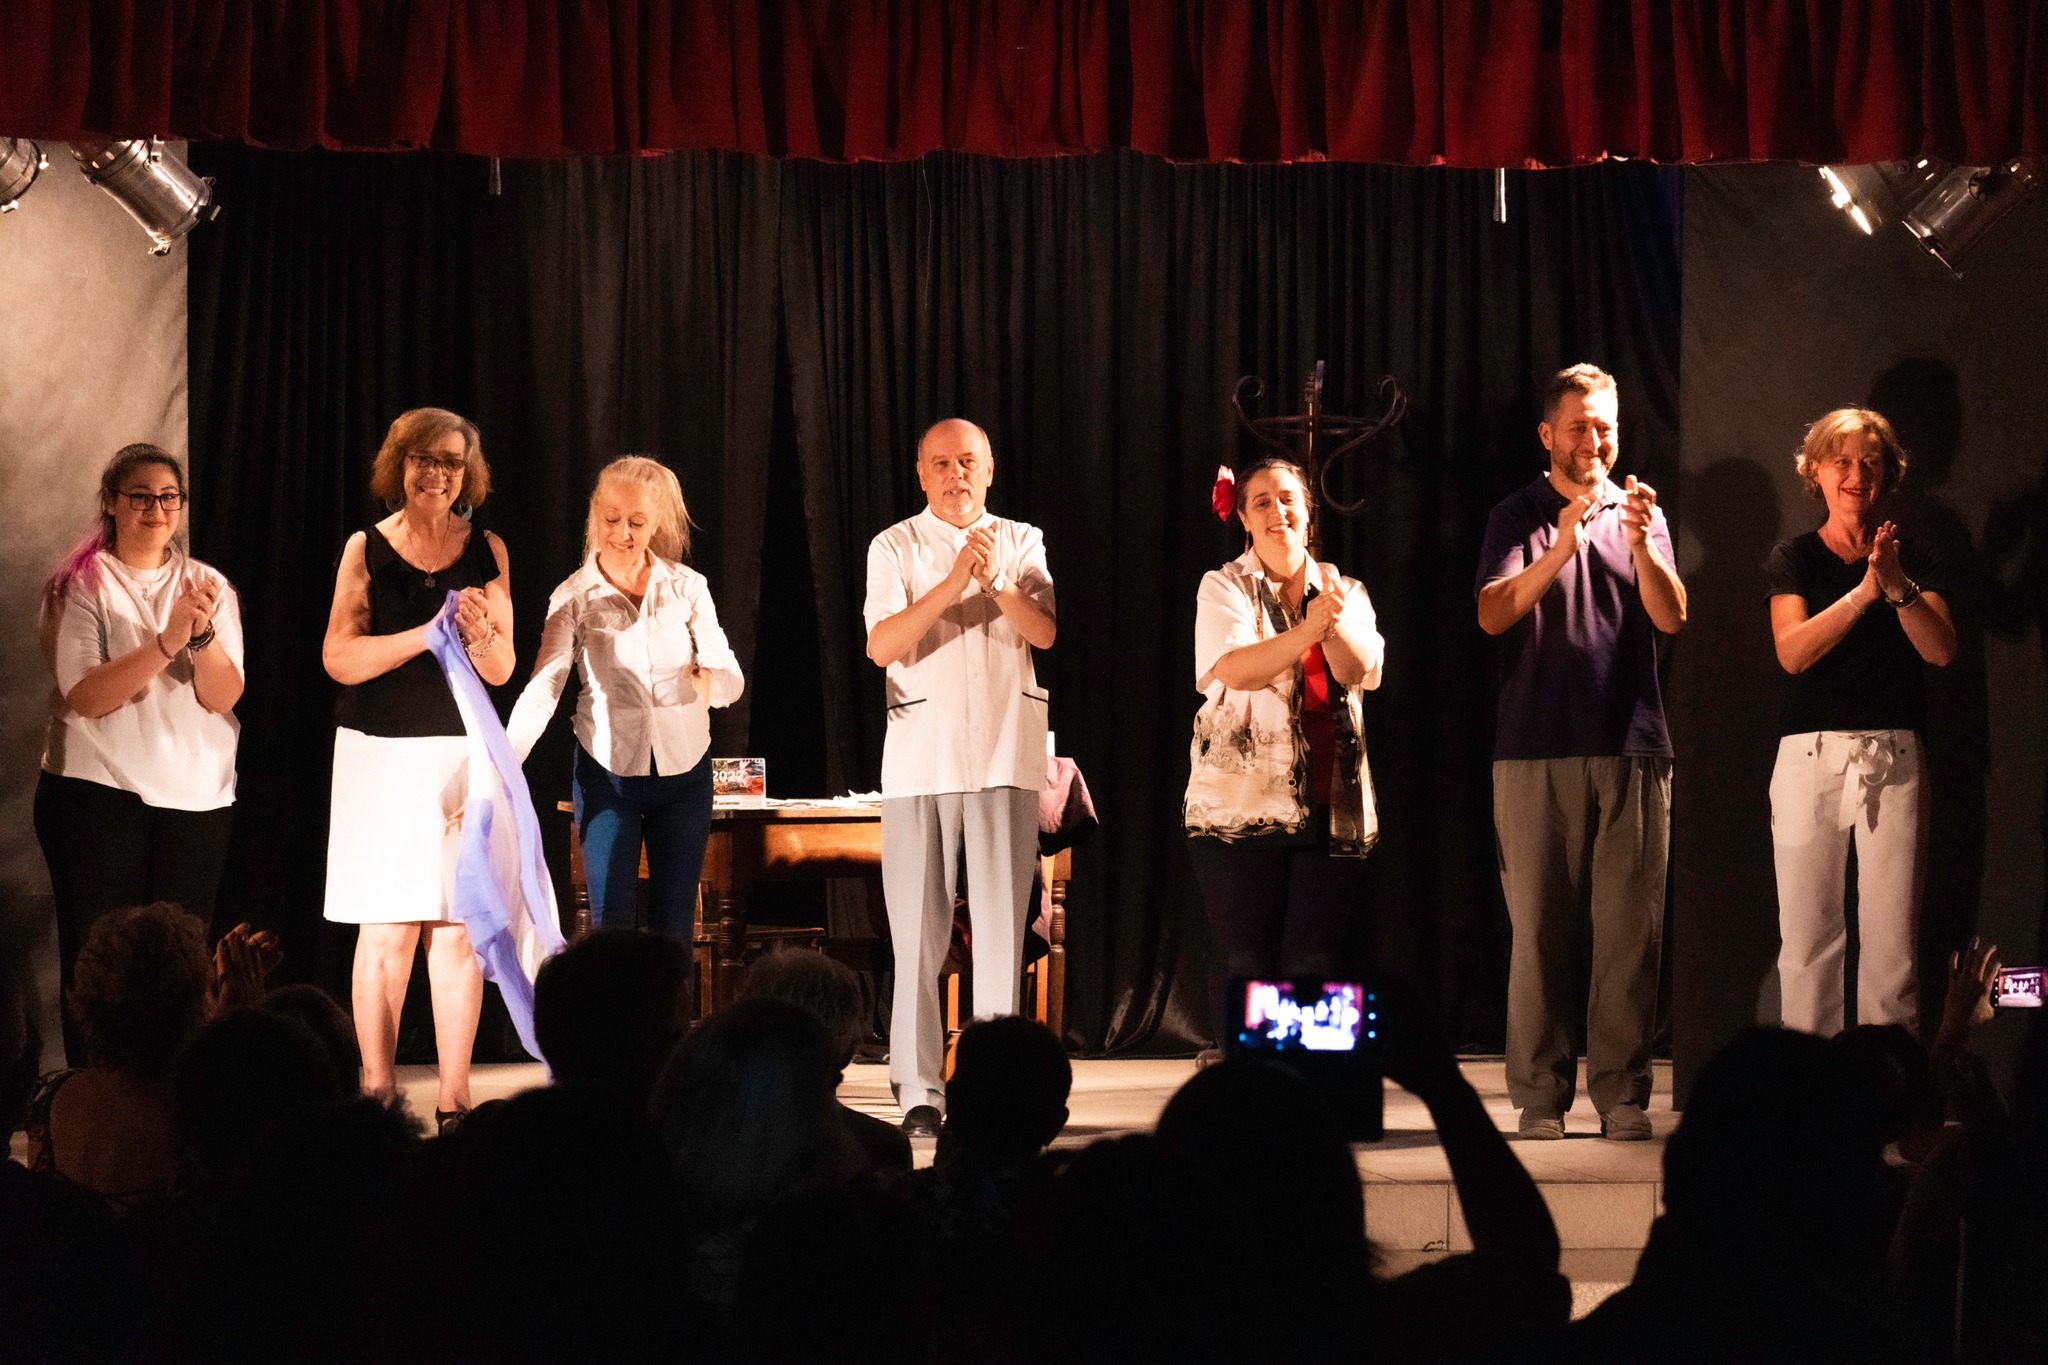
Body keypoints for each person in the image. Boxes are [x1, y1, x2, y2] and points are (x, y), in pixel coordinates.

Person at [1476, 363, 1686, 1142]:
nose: (1593, 439)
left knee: (1631, 929)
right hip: (1534, 746)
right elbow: (1492, 614)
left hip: (1632, 744)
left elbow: (1672, 615)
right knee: (1538, 932)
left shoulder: (1640, 513)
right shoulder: (1517, 514)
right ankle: (1540, 1095)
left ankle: (1622, 1093)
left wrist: (1642, 546)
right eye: (1579, 426)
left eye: (1605, 426)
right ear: (1548, 434)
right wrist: (1562, 546)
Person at [863, 418, 1056, 1137]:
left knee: (1002, 933)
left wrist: (995, 579)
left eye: (968, 461)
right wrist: (951, 584)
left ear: (990, 468)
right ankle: (919, 1089)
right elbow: (883, 644)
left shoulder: (1023, 540)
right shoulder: (894, 545)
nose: (956, 475)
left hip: (1005, 754)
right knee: (918, 933)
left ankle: (996, 1089)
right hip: (923, 758)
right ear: (921, 473)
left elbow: (1043, 631)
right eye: (941, 463)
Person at [321, 408, 513, 1127]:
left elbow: (501, 668)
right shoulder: (366, 547)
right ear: (398, 464)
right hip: (379, 755)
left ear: (468, 474)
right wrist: (425, 636)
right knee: (388, 931)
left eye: (451, 462)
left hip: (459, 753)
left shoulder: (486, 548)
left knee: (457, 929)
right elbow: (340, 657)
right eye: (424, 459)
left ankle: (455, 1099)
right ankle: (377, 1097)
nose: (437, 473)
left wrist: (479, 635)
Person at [35, 444, 244, 1056]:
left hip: (197, 796)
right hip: (98, 791)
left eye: (169, 498)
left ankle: (169, 1092)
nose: (157, 510)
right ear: (111, 502)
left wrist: (200, 636)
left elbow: (223, 695)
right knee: (102, 958)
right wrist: (166, 640)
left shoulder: (208, 584)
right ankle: (95, 1093)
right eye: (141, 497)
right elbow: (87, 695)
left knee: (181, 963)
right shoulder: (80, 583)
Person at [1183, 456, 1384, 1047]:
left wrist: (1330, 619)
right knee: (1245, 958)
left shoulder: (1344, 590)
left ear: (1308, 512)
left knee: (1313, 960)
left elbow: (1359, 669)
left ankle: (1303, 1084)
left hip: (1332, 799)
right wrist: (1307, 630)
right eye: (1263, 501)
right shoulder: (1224, 585)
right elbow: (1235, 669)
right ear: (1244, 518)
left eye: (1289, 498)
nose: (1279, 511)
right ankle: (1244, 1083)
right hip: (1239, 804)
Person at [1766, 408, 1954, 1037]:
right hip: (1808, 758)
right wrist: (1863, 593)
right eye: (1841, 461)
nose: (1856, 475)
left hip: (1894, 758)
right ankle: (1811, 1091)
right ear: (1816, 471)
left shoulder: (1914, 556)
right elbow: (1793, 652)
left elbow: (1940, 649)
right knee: (1807, 945)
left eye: (1870, 462)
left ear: (1888, 474)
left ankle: (1889, 1090)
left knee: (1893, 952)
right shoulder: (1794, 557)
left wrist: (1896, 585)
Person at [507, 456, 743, 953]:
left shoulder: (687, 586)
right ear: (596, 514)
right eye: (612, 519)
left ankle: (670, 1010)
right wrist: (501, 766)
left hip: (684, 774)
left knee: (673, 927)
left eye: (637, 522)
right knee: (610, 926)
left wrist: (711, 682)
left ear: (656, 524)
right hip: (608, 776)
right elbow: (544, 689)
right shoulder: (573, 597)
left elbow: (729, 676)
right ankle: (613, 1010)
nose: (622, 533)